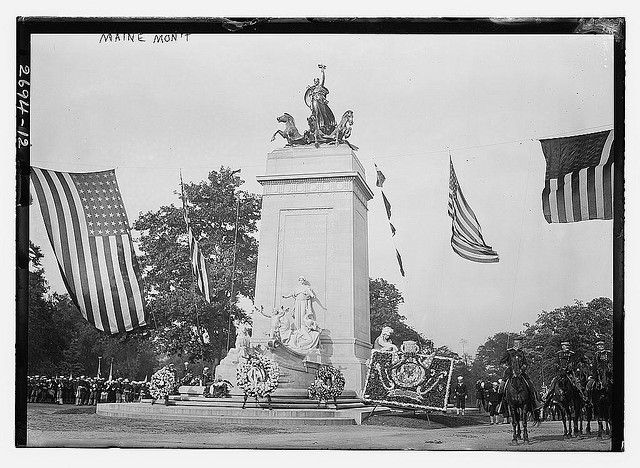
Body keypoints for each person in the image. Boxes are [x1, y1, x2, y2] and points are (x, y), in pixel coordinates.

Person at [499, 335, 543, 412]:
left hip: (521, 373)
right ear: (516, 344)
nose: (521, 345)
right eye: (520, 343)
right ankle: (500, 405)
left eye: (520, 343)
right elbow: (502, 362)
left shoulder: (521, 352)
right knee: (501, 387)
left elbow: (525, 363)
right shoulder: (508, 352)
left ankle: (535, 403)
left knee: (531, 385)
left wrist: (522, 368)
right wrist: (506, 367)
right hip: (509, 373)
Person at [304, 64, 336, 136]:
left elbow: (323, 79)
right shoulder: (313, 88)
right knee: (316, 113)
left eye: (317, 81)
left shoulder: (320, 86)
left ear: (318, 82)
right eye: (315, 81)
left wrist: (322, 71)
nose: (316, 82)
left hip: (320, 102)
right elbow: (309, 95)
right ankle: (317, 127)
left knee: (324, 113)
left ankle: (325, 125)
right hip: (314, 102)